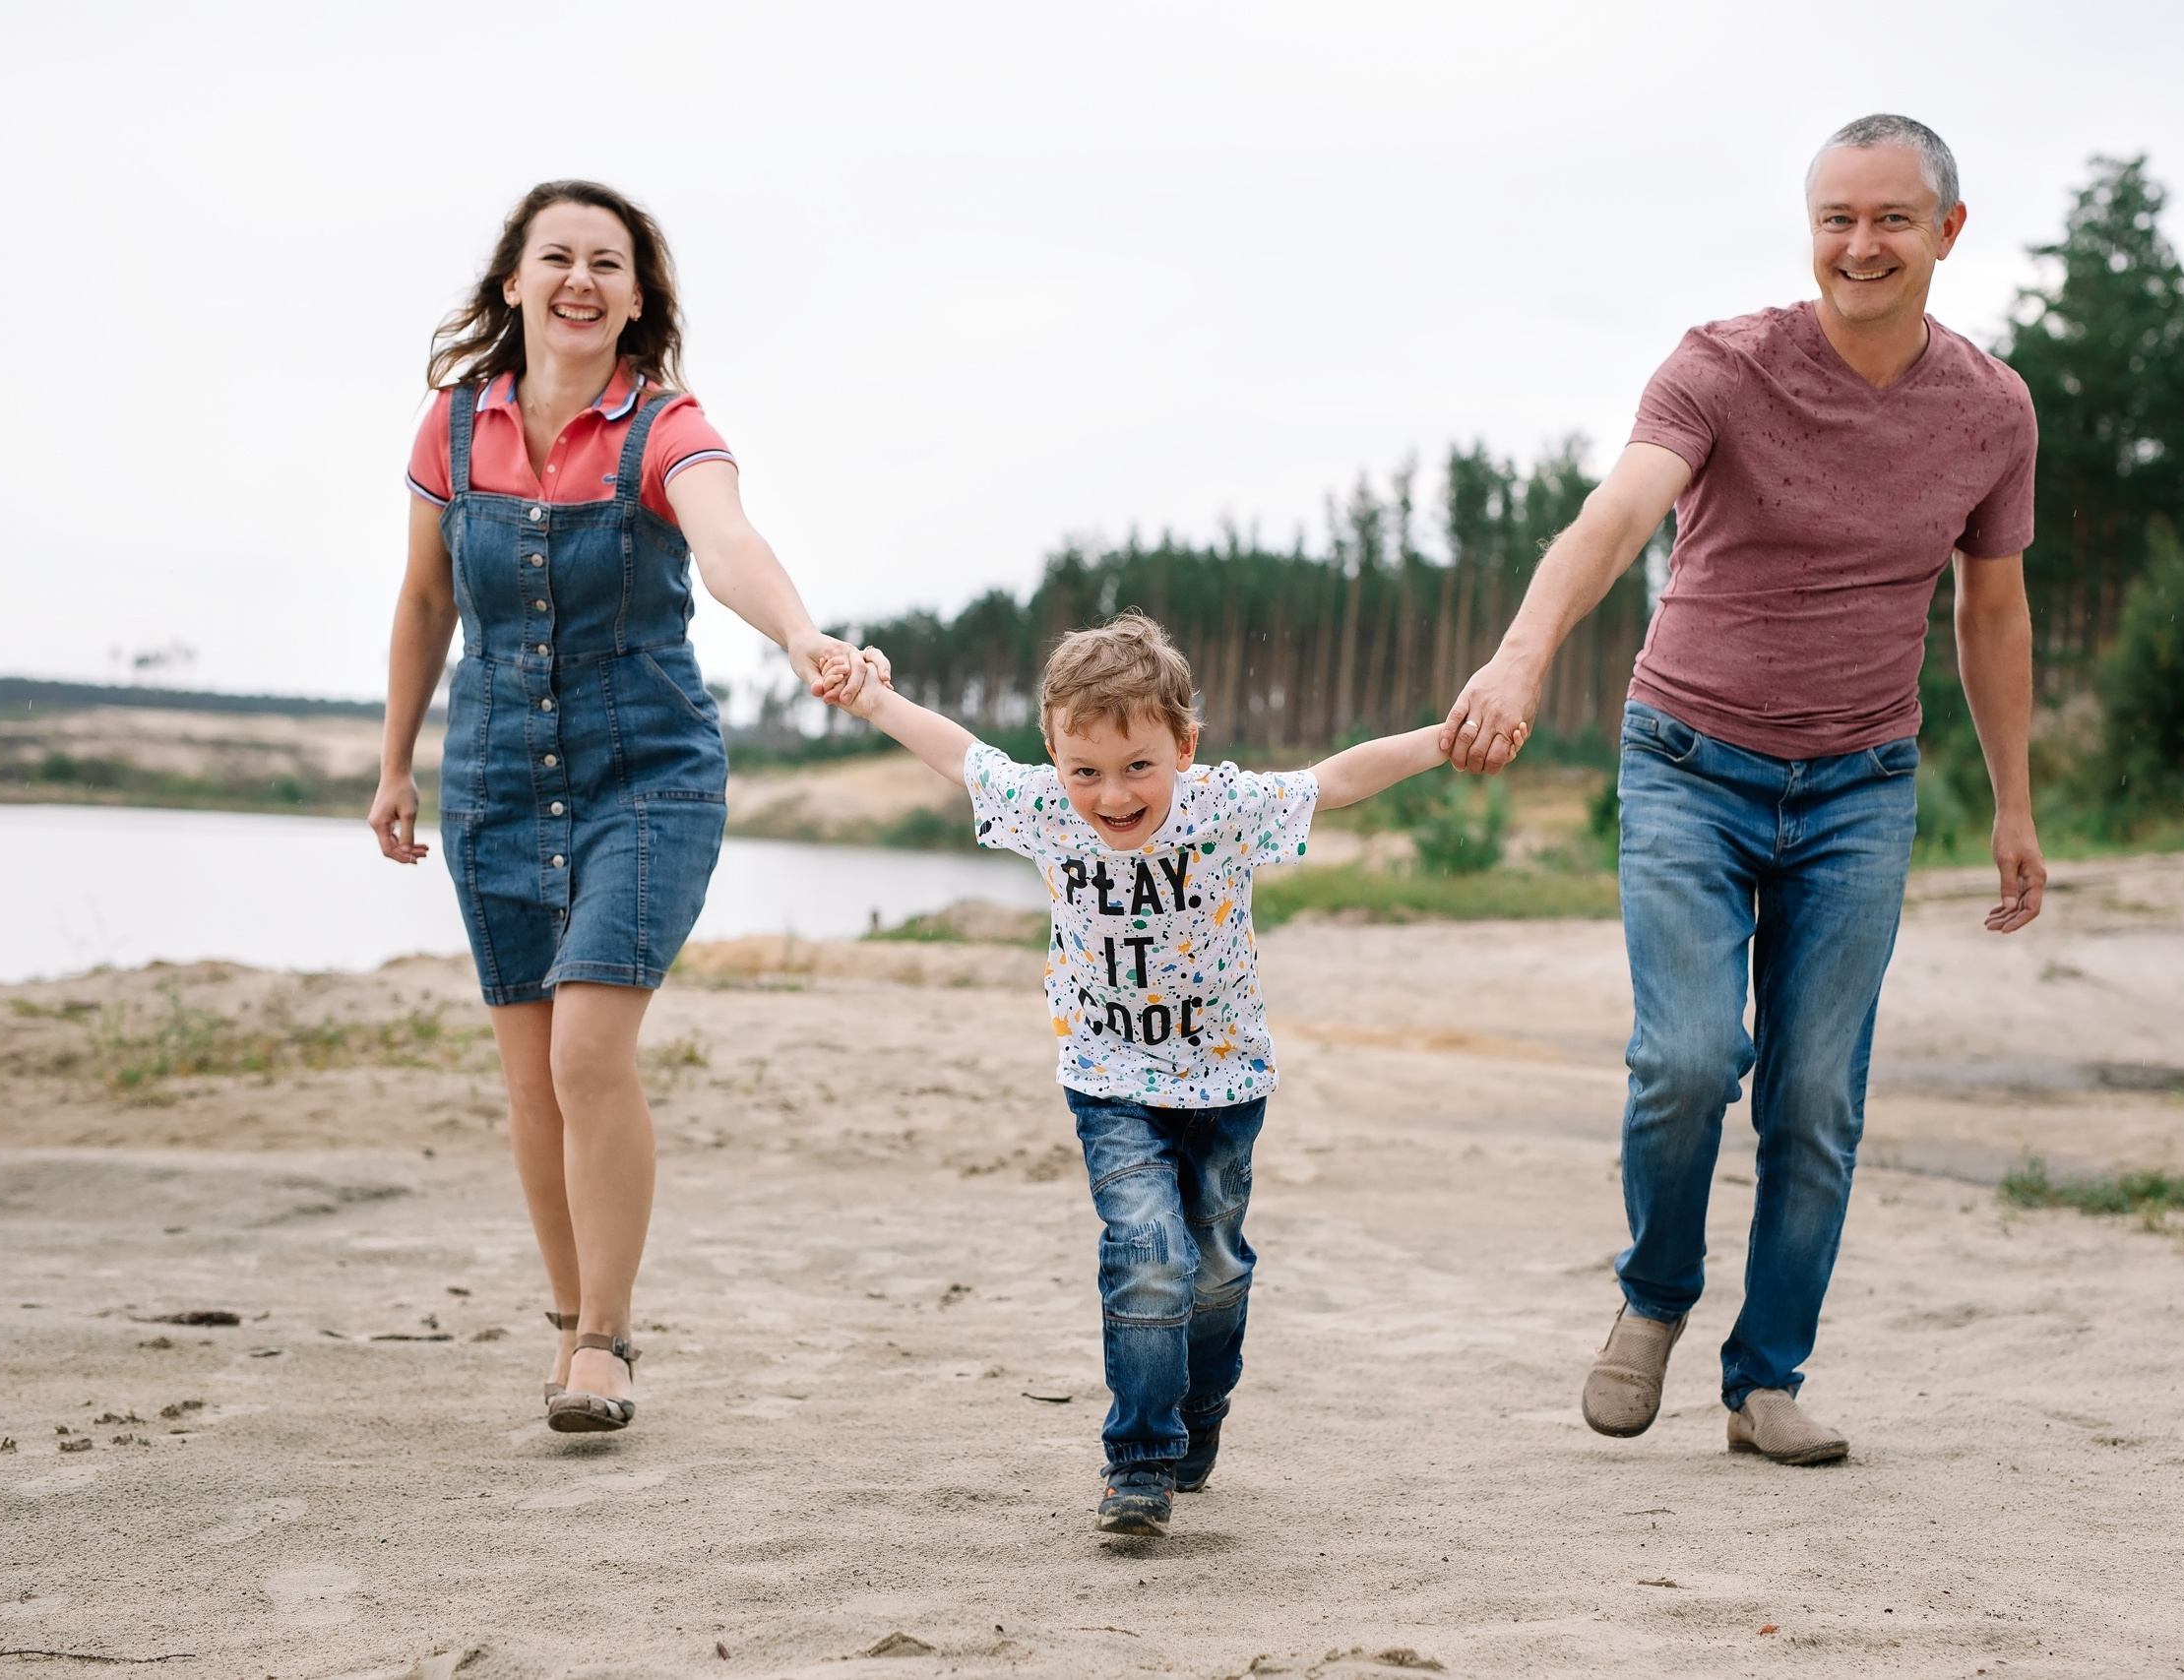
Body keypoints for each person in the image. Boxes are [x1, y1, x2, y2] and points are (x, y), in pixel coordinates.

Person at [1440, 115, 2045, 1465]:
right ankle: (1655, 1293)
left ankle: (1765, 1377)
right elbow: (1614, 519)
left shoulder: (1992, 411)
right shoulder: (1721, 365)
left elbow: (1990, 614)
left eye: (1891, 218)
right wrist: (1520, 657)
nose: (1860, 244)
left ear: (1948, 230)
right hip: (1689, 762)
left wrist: (2014, 800)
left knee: (1817, 1097)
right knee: (1688, 1058)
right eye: (1836, 217)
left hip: (1861, 785)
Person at [368, 180, 876, 1434]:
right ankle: (564, 1322)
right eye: (558, 257)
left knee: (588, 1049)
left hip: (647, 773)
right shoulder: (451, 428)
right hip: (491, 777)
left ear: (638, 297)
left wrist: (803, 633)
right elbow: (428, 600)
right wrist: (394, 764)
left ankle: (607, 1339)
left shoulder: (665, 426)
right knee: (531, 1076)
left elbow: (725, 541)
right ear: (513, 282)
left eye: (609, 261)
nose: (581, 279)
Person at [824, 612, 1449, 1535]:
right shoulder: (1042, 806)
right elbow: (957, 753)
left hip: (1227, 1086)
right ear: (1053, 755)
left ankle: (1199, 1414)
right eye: (1086, 771)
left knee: (1216, 1271)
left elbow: (1339, 777)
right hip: (1109, 1079)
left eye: (1137, 767)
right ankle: (1140, 1463)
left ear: (1185, 746)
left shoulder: (1223, 807)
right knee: (1149, 1254)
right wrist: (870, 695)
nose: (1111, 796)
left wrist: (1449, 737)